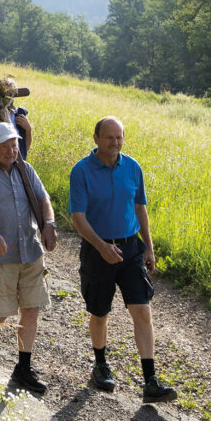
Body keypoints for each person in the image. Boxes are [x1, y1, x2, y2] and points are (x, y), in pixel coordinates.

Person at [69, 116, 177, 404]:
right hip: (97, 251)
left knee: (142, 310)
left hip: (131, 250)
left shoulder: (132, 167)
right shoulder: (81, 171)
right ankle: (101, 365)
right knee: (100, 312)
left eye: (119, 137)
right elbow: (77, 216)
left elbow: (140, 208)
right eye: (109, 137)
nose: (115, 143)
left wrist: (149, 249)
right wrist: (101, 246)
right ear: (96, 139)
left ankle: (150, 380)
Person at [0, 122, 58, 395]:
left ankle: (23, 367)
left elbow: (43, 199)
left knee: (31, 307)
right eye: (5, 145)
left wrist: (49, 224)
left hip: (30, 250)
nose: (11, 150)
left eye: (14, 144)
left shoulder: (25, 169)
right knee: (2, 312)